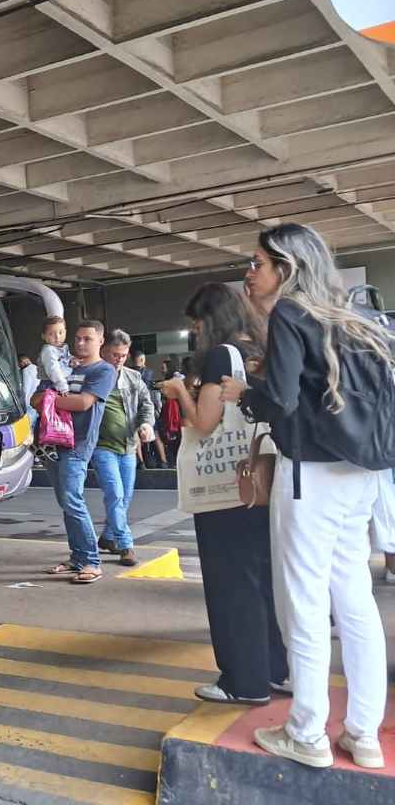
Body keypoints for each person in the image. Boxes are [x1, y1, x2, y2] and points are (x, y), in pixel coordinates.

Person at [221, 223, 392, 770]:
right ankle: (362, 733)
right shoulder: (359, 317)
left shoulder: (292, 314)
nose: (249, 273)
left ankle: (306, 732)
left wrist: (246, 392)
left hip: (310, 476)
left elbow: (283, 400)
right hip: (361, 473)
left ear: (286, 269)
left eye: (257, 264)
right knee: (355, 599)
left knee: (303, 601)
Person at [162, 283, 288, 705]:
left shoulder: (222, 356)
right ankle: (276, 670)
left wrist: (181, 391)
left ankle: (243, 681)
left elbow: (206, 422)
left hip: (227, 488)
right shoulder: (264, 346)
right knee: (263, 579)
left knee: (231, 582)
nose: (195, 333)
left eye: (196, 324)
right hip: (265, 480)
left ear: (210, 320)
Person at [31, 321, 117, 585]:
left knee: (72, 499)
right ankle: (78, 558)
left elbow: (82, 403)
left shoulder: (104, 370)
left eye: (87, 339)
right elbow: (34, 398)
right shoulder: (63, 365)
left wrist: (50, 400)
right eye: (77, 338)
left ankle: (92, 560)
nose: (80, 343)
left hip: (77, 445)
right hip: (50, 443)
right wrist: (48, 399)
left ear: (100, 341)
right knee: (66, 503)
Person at [91, 330, 155, 567]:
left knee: (125, 497)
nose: (119, 359)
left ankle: (107, 538)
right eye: (115, 354)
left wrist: (146, 424)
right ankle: (125, 544)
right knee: (115, 495)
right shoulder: (93, 375)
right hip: (101, 446)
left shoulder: (133, 378)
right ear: (104, 350)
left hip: (128, 446)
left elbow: (146, 405)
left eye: (123, 355)